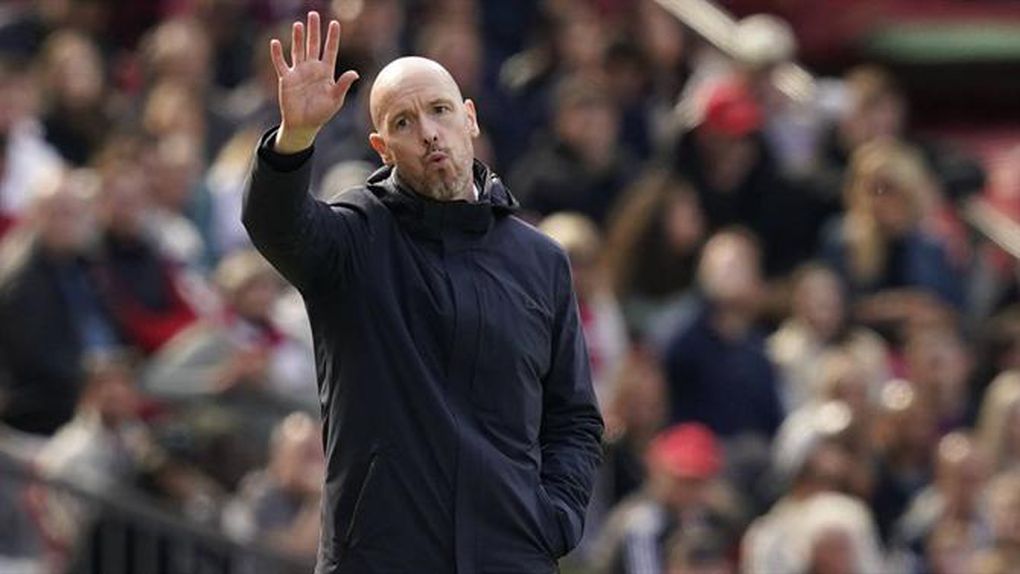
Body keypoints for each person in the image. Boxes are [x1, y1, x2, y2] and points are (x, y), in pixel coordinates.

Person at [242, 12, 603, 573]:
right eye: (404, 122)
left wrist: (551, 519)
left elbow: (574, 419)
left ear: (470, 118)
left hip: (510, 556)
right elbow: (275, 224)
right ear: (381, 147)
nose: (429, 132)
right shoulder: (354, 237)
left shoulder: (541, 261)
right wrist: (296, 138)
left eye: (439, 110)